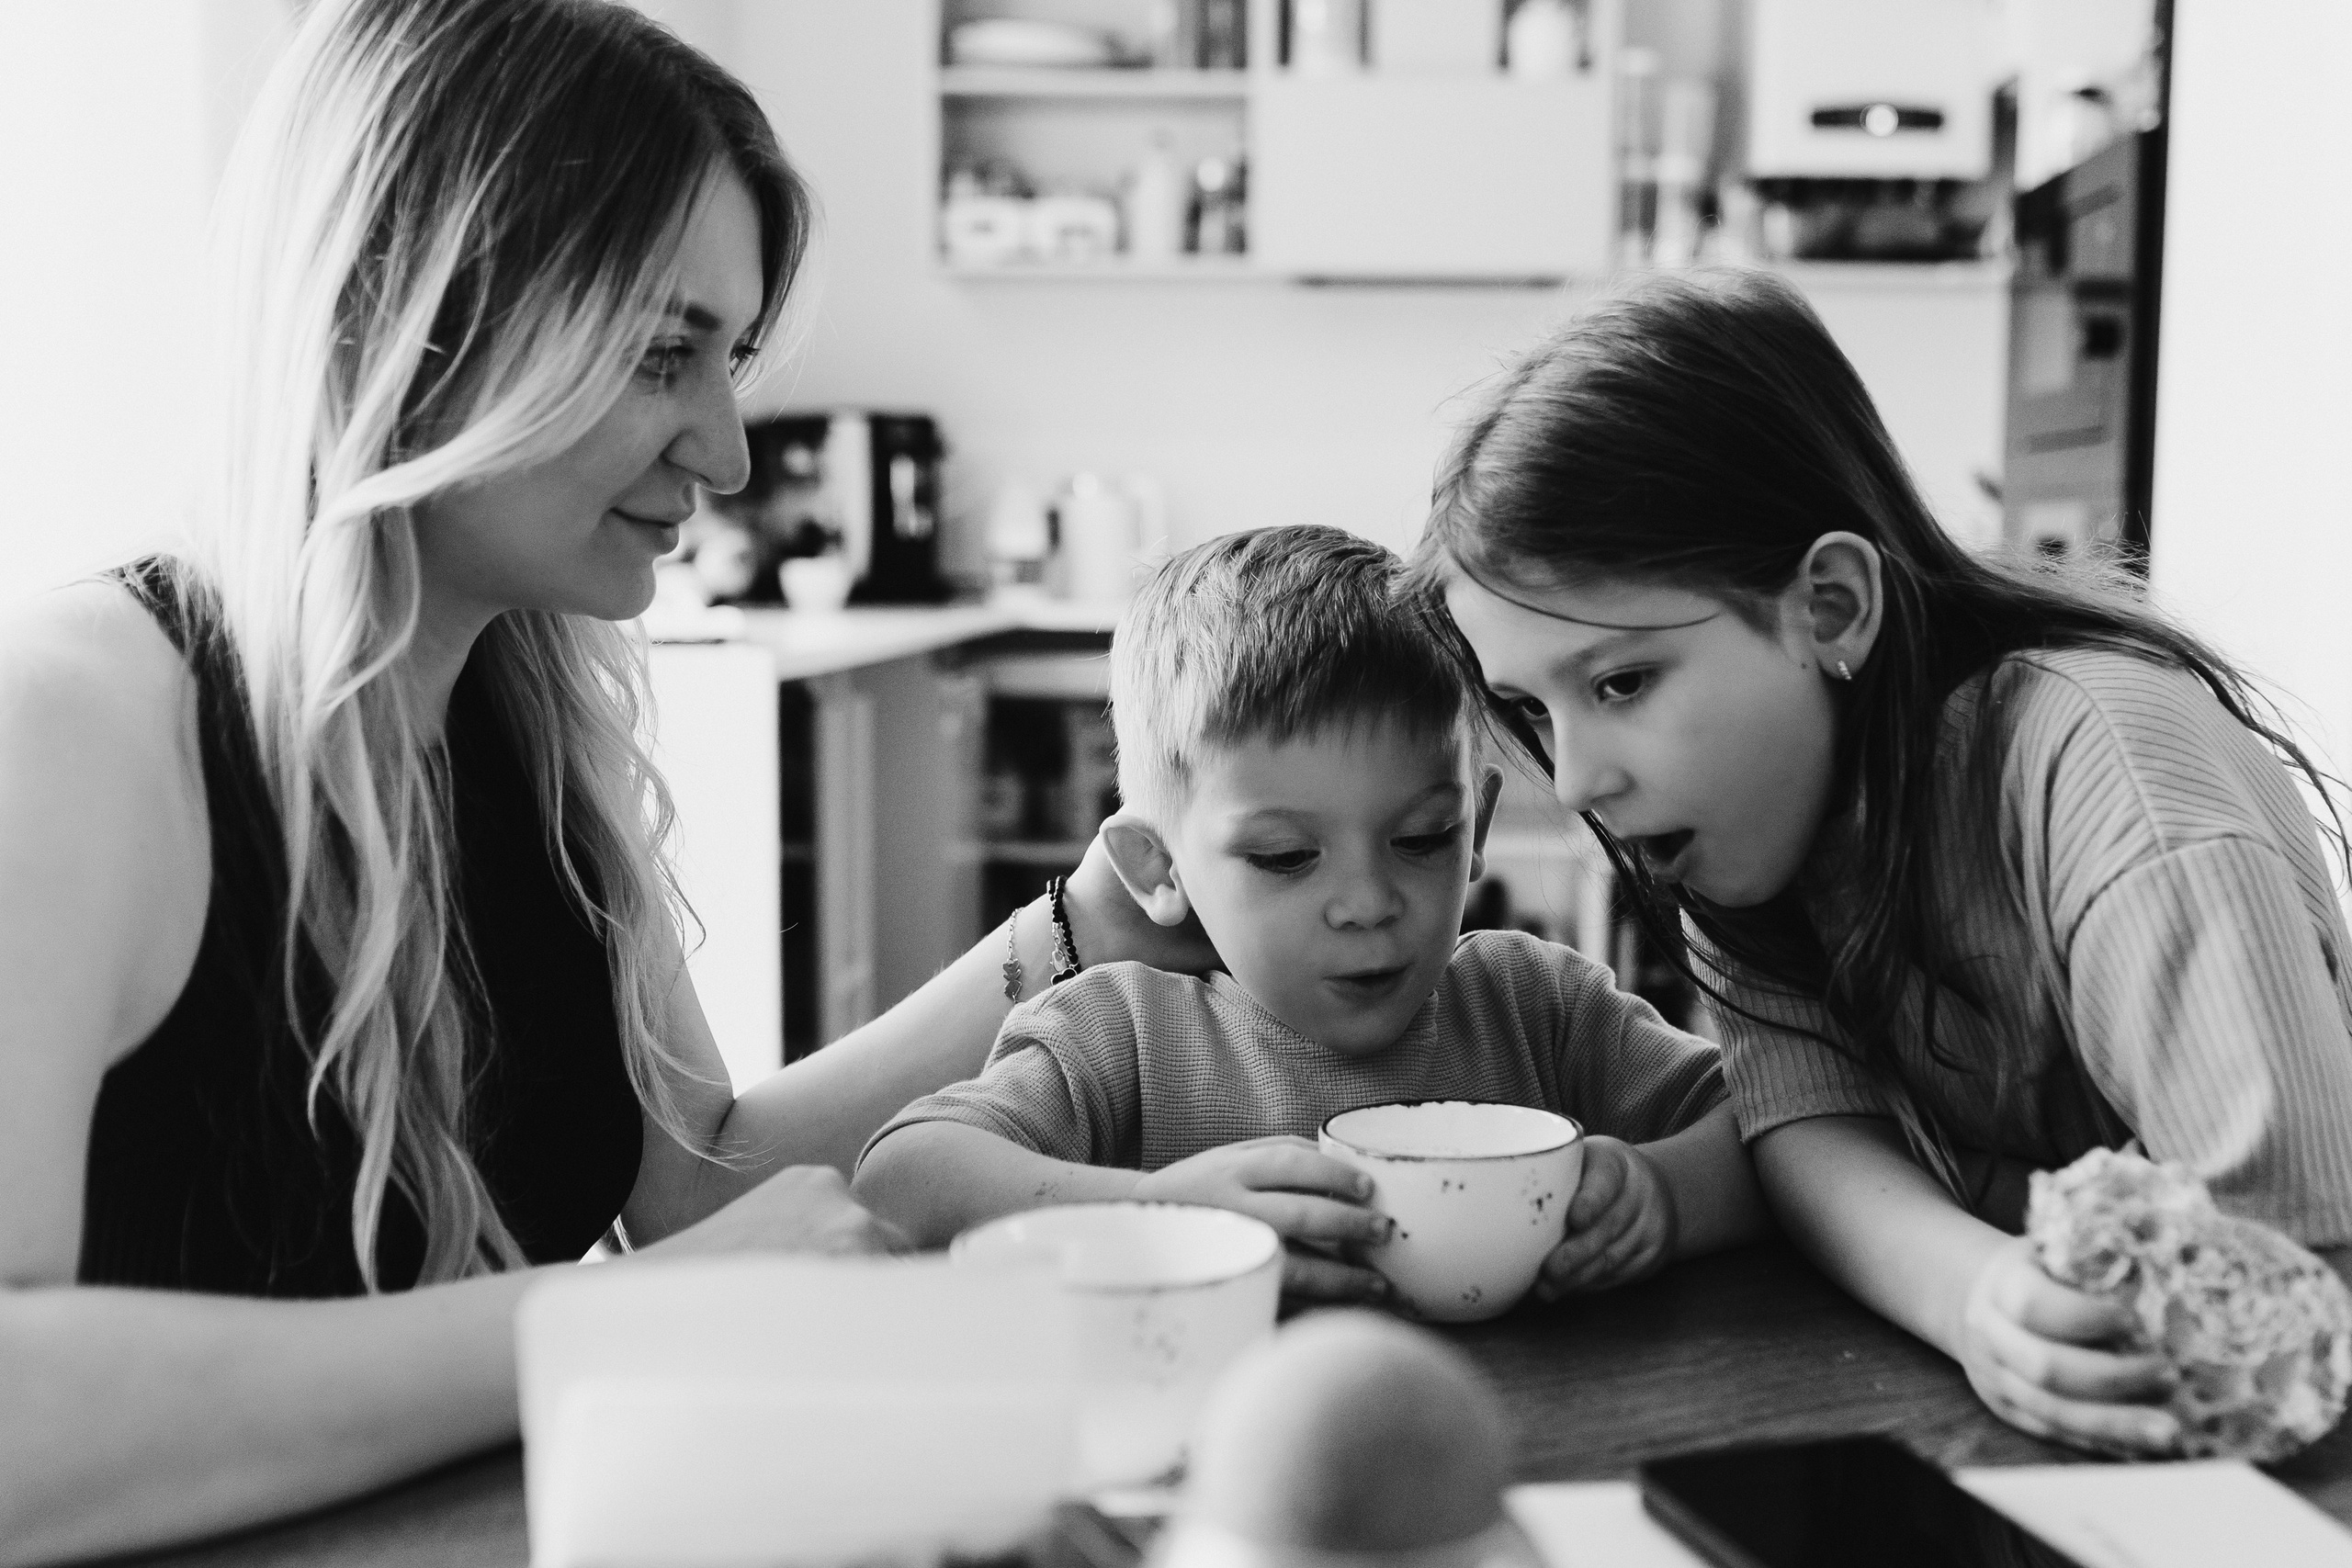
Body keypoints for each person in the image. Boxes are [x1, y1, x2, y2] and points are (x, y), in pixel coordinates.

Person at [0, 2, 1179, 1559]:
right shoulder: (71, 727)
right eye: (660, 351)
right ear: (408, 314)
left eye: (729, 356)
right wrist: (617, 1318)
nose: (730, 452)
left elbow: (702, 1183)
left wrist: (1085, 926)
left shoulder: (529, 713)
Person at [1411, 265, 2352, 1458]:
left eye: (1623, 681)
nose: (1581, 775)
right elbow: (1806, 1129)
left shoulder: (2113, 777)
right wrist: (1977, 1296)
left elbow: (2298, 1278)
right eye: (1535, 711)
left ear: (1833, 606)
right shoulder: (1754, 823)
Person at [854, 527, 1765, 1298]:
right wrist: (1158, 1215)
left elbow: (1778, 1131)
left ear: (1476, 824)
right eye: (1287, 857)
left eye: (1422, 838)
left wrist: (1662, 1193)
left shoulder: (1537, 1009)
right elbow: (901, 1181)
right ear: (1156, 866)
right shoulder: (1118, 1033)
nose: (1369, 904)